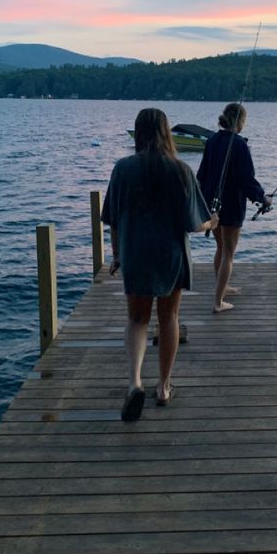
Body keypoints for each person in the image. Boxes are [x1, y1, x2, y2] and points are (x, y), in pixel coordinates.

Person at [101, 108, 218, 422]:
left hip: (135, 253)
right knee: (169, 317)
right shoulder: (180, 170)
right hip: (171, 255)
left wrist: (116, 256)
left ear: (138, 133)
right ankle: (164, 387)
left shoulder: (121, 169)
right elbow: (195, 224)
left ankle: (134, 382)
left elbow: (112, 219)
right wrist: (212, 223)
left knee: (137, 319)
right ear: (167, 132)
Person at [197, 102, 271, 313]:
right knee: (229, 252)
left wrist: (202, 200)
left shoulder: (212, 141)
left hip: (211, 205)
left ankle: (222, 285)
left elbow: (202, 175)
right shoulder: (239, 145)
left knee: (220, 248)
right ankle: (218, 302)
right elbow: (246, 179)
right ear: (240, 121)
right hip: (231, 204)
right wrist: (262, 198)